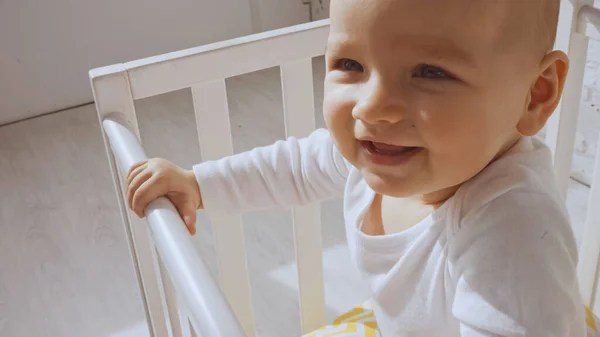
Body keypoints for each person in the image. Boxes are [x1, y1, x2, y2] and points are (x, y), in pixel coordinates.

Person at [126, 0, 586, 335]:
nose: (374, 107)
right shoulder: (377, 154)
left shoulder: (513, 238)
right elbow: (291, 167)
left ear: (536, 94)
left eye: (431, 72)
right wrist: (197, 184)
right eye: (350, 64)